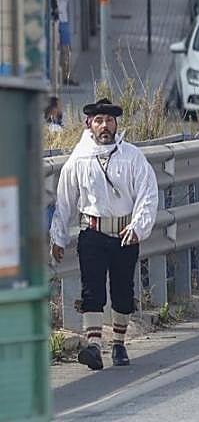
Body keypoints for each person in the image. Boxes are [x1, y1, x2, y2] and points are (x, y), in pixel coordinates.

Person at [50, 99, 159, 370]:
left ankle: (119, 344)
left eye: (109, 121)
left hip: (124, 233)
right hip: (93, 232)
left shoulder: (132, 156)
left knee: (122, 290)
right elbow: (65, 200)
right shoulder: (79, 159)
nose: (104, 126)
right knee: (93, 290)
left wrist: (138, 227)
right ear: (89, 124)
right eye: (99, 121)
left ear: (116, 124)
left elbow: (147, 193)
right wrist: (58, 237)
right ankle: (94, 346)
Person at [55, 0, 78, 86]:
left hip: (63, 21)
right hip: (54, 21)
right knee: (55, 49)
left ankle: (67, 75)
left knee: (66, 49)